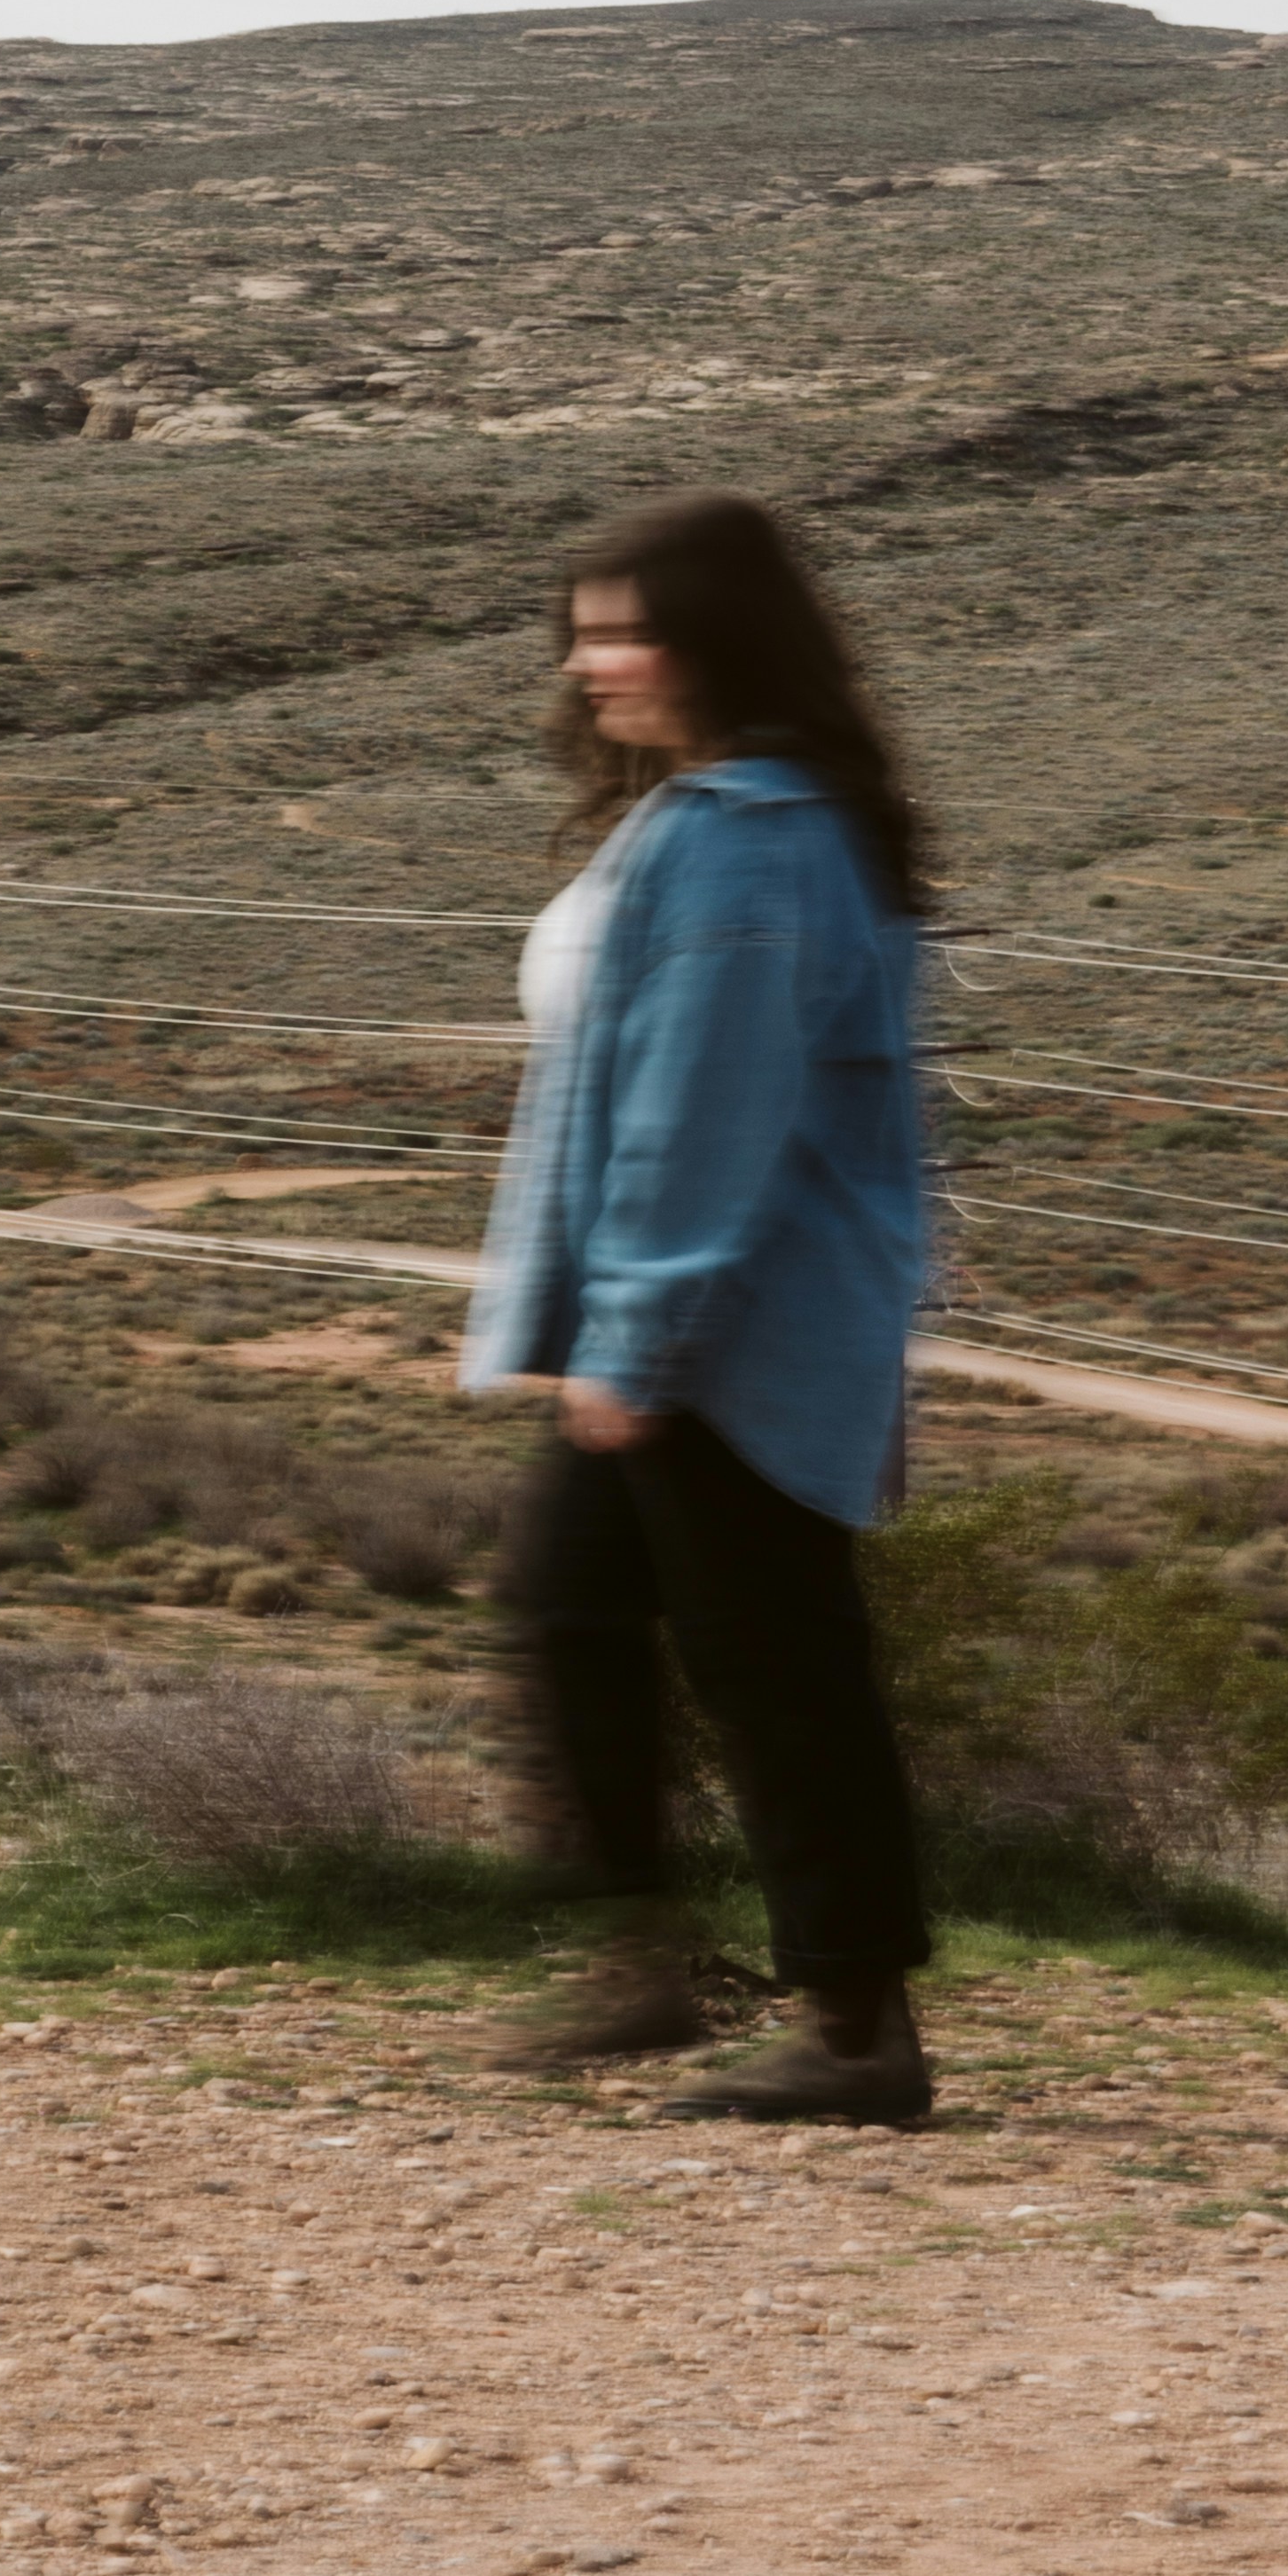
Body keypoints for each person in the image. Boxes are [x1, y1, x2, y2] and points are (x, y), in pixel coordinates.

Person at [463, 489, 940, 2124]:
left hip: (733, 1324)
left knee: (775, 1665)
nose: (590, 665)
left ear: (717, 643)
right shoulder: (721, 814)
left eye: (626, 634)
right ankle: (648, 1966)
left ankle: (860, 2037)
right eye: (582, 634)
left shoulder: (745, 840)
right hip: (703, 1312)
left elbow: (701, 1108)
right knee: (573, 1608)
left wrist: (636, 1338)